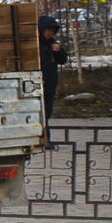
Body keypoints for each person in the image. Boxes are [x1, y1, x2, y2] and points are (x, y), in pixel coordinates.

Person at [37, 15, 67, 147]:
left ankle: (45, 139)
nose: (49, 33)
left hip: (49, 85)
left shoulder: (53, 45)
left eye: (52, 31)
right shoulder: (34, 44)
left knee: (46, 112)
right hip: (35, 85)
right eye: (47, 30)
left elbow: (63, 60)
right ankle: (43, 139)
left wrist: (60, 51)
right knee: (38, 113)